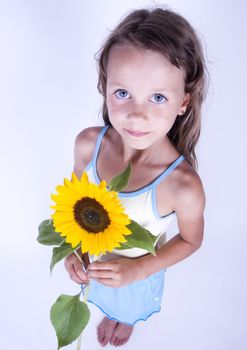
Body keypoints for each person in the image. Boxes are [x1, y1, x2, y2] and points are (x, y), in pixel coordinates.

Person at [65, 7, 207, 348]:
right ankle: (109, 310)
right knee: (103, 293)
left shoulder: (181, 186)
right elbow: (75, 200)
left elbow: (191, 240)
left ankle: (126, 319)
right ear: (105, 86)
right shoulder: (89, 144)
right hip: (96, 264)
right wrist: (74, 248)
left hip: (139, 276)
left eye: (158, 97)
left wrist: (138, 270)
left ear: (183, 101)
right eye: (123, 93)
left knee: (128, 305)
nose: (136, 114)